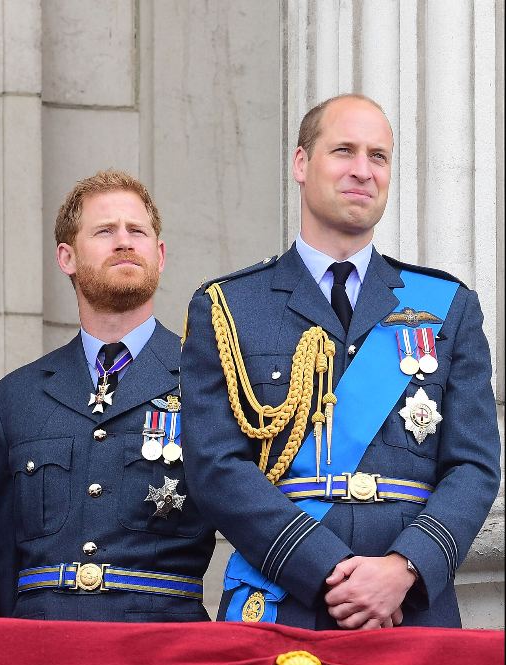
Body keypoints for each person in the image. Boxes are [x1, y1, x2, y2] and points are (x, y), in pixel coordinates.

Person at [179, 94, 501, 630]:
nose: (363, 170)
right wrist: (328, 568)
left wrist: (404, 568)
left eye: (378, 156)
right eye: (344, 151)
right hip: (286, 597)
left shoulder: (448, 306)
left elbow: (474, 465)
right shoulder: (230, 306)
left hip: (409, 608)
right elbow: (214, 466)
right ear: (301, 164)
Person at [0, 170, 215, 622]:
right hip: (43, 651)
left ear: (159, 254)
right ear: (67, 257)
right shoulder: (16, 398)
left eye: (137, 231)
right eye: (105, 231)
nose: (124, 241)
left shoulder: (211, 381)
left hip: (163, 649)